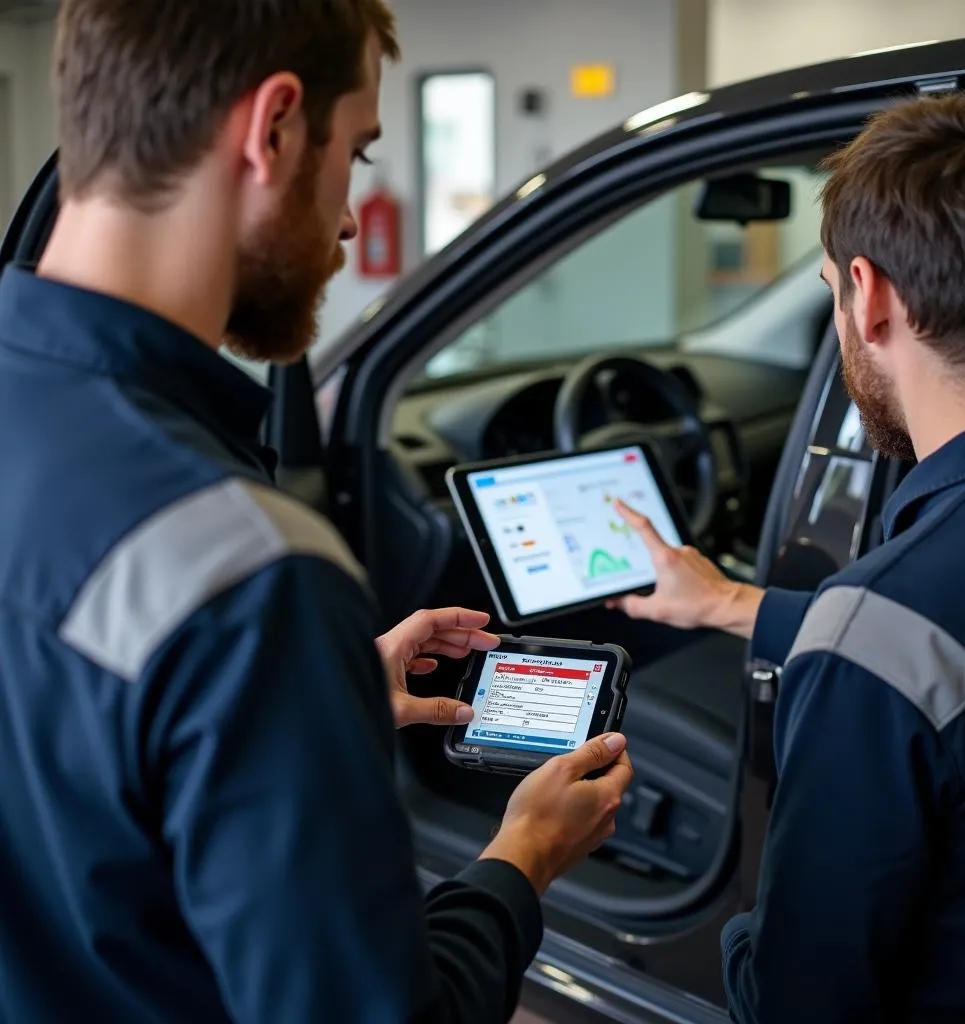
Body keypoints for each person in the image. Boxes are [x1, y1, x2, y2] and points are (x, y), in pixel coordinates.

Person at [0, 2, 634, 1022]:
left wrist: (293, 711)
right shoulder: (245, 570)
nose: (347, 219)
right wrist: (519, 858)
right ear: (277, 128)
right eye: (358, 153)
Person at [611, 93, 965, 1023]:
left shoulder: (883, 630)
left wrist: (748, 918)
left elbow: (797, 998)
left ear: (869, 296)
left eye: (832, 290)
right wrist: (732, 604)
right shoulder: (902, 629)